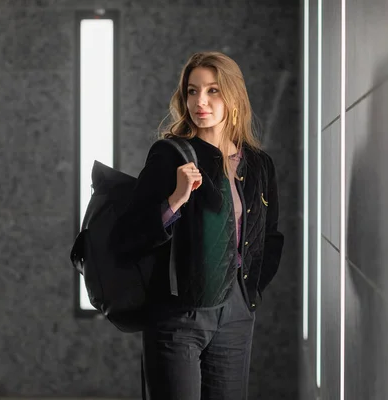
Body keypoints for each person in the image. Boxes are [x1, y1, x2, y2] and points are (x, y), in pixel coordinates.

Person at [111, 51, 284, 400]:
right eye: (192, 91)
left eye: (212, 90)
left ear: (233, 96)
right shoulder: (170, 155)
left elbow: (270, 237)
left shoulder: (258, 164)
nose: (200, 101)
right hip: (179, 314)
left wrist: (250, 292)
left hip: (236, 312)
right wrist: (175, 198)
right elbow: (125, 239)